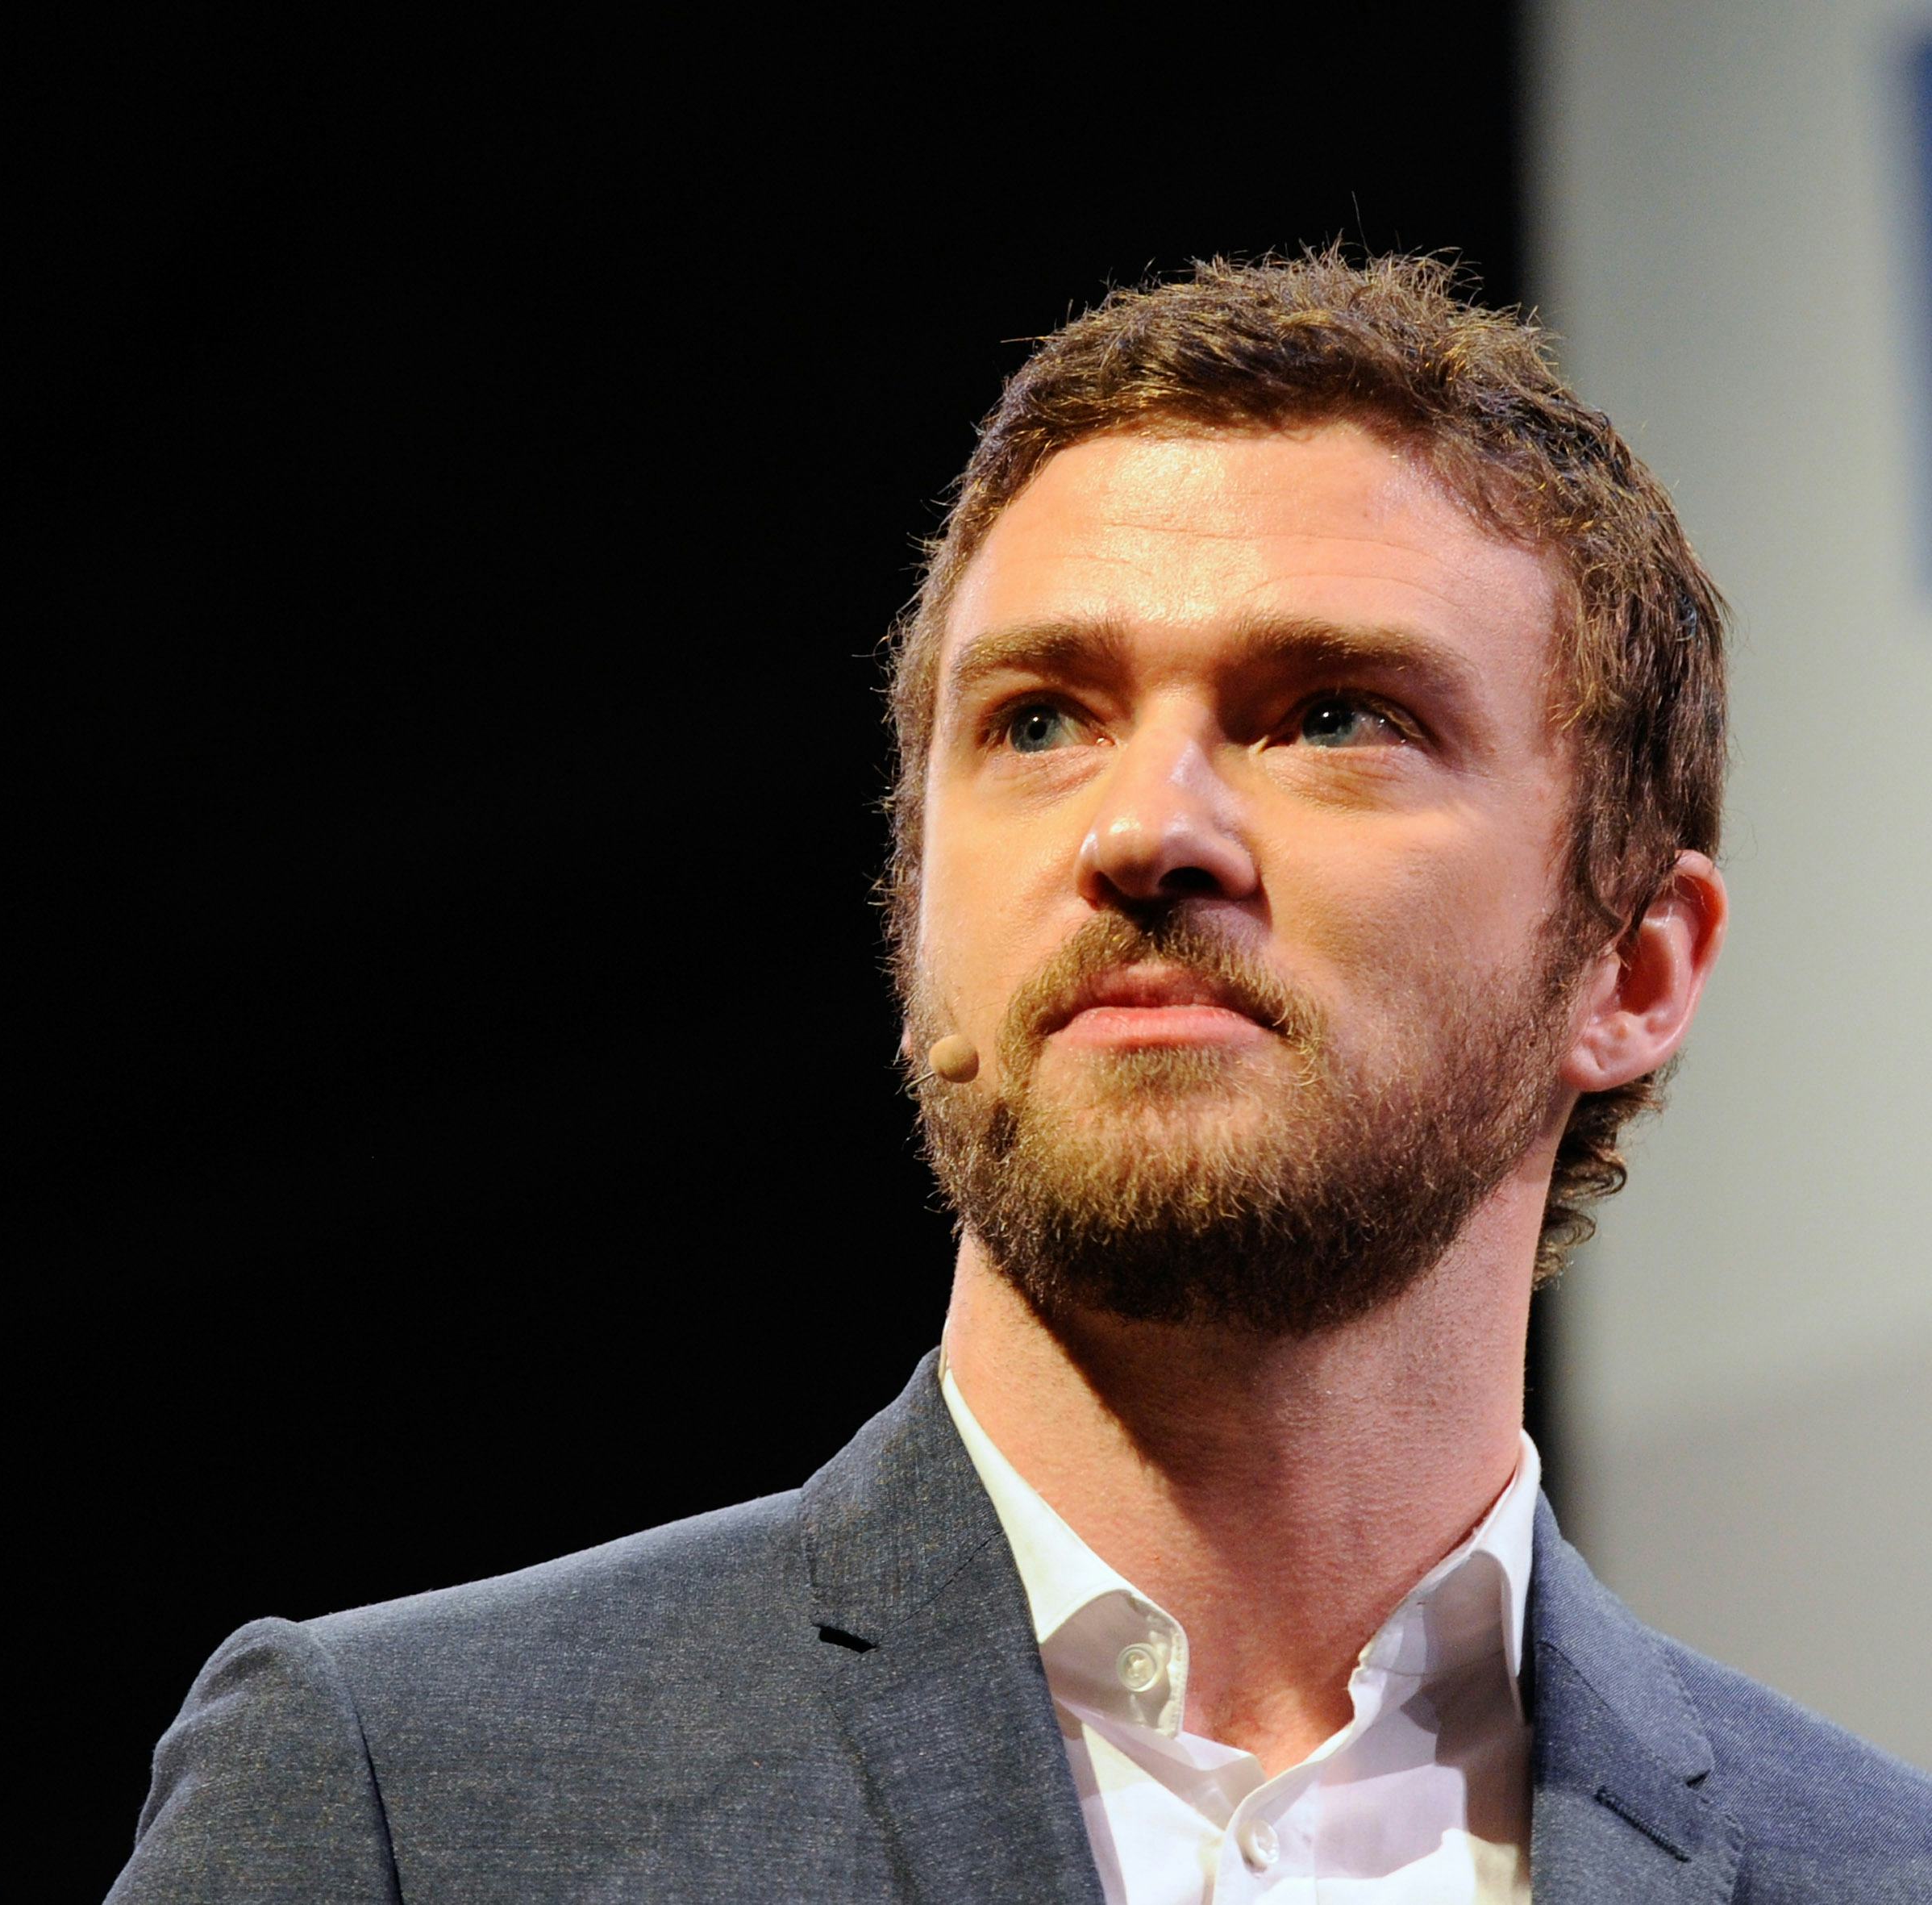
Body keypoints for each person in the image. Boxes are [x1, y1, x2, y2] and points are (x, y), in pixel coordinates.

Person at [106, 254, 1931, 1903]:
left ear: (1631, 966)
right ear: (914, 910)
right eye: (1040, 720)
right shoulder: (416, 1802)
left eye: (1332, 717)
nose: (1146, 827)